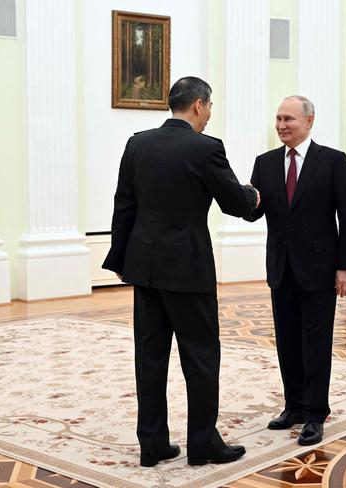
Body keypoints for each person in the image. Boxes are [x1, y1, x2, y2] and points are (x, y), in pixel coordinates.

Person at [103, 76, 258, 467]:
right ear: (199, 105)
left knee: (150, 358)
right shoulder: (206, 148)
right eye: (210, 108)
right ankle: (203, 445)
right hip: (189, 269)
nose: (209, 116)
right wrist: (256, 196)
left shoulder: (137, 143)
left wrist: (122, 261)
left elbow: (124, 207)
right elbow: (234, 202)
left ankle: (152, 445)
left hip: (147, 269)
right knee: (201, 357)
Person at [245, 96, 346, 446]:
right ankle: (293, 406)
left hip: (321, 270)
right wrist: (235, 194)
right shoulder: (264, 164)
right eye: (278, 118)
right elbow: (252, 212)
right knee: (288, 343)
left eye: (289, 119)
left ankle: (314, 414)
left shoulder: (333, 161)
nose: (281, 125)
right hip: (281, 269)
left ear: (309, 121)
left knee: (316, 344)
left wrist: (345, 267)